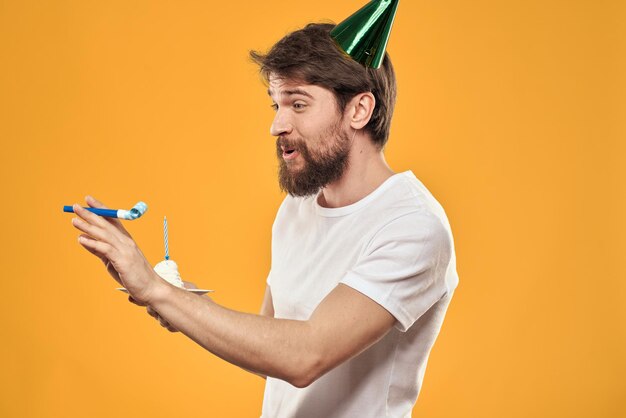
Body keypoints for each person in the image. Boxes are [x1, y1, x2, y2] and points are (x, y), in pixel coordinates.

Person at [70, 5, 459, 417]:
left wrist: (157, 290)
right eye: (276, 105)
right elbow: (271, 353)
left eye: (298, 104)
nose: (277, 125)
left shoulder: (412, 226)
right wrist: (176, 302)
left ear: (358, 110)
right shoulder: (296, 209)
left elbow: (304, 357)